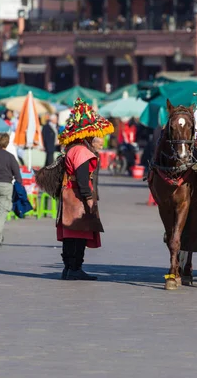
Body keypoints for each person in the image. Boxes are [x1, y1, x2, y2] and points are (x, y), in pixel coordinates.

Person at [56, 98, 114, 280]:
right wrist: (88, 197)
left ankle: (68, 268)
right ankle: (75, 268)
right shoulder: (82, 151)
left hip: (68, 193)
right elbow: (82, 178)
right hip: (77, 195)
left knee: (69, 234)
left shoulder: (72, 149)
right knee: (79, 231)